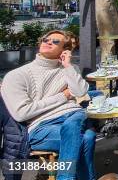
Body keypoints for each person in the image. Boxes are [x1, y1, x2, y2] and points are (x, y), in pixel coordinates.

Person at [1, 30, 95, 180]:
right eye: (46, 39)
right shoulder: (17, 75)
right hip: (41, 126)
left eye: (56, 41)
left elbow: (80, 91)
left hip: (72, 115)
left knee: (76, 119)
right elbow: (22, 113)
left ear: (65, 50)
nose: (48, 42)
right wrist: (63, 96)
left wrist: (68, 65)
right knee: (87, 138)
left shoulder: (69, 69)